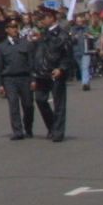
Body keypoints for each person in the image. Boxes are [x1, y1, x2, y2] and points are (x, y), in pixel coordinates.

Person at [33, 8, 73, 141]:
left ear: (52, 18)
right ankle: (52, 126)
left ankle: (58, 132)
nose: (42, 20)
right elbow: (38, 54)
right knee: (40, 99)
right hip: (41, 73)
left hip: (55, 72)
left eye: (44, 17)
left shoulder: (61, 34)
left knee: (59, 103)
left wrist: (61, 68)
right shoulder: (43, 34)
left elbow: (67, 54)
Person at [0, 20, 35, 140]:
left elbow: (31, 62)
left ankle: (28, 127)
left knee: (28, 105)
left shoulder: (25, 43)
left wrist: (33, 79)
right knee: (13, 104)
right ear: (7, 30)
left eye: (16, 27)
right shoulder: (2, 46)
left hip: (24, 77)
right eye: (11, 27)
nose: (14, 29)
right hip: (9, 79)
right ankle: (17, 131)